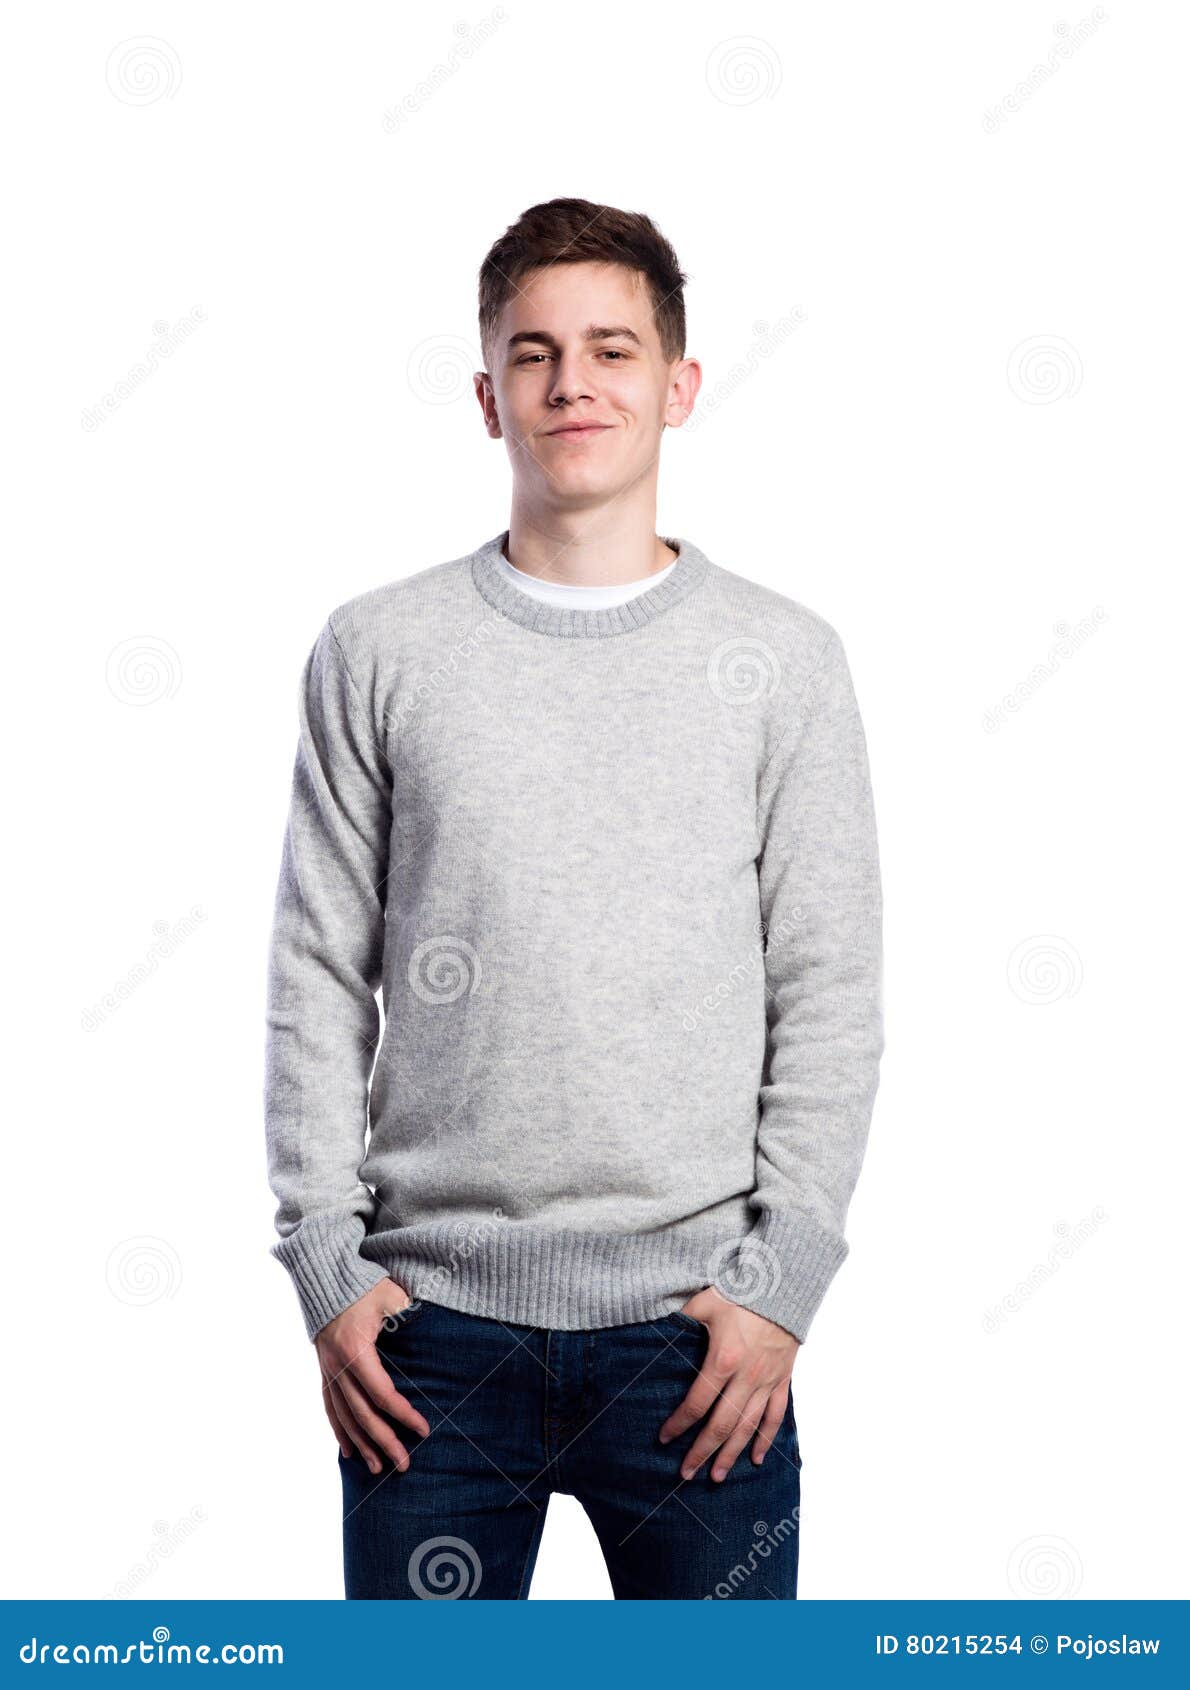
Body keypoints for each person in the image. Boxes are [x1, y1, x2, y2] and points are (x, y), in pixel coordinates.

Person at [263, 197, 884, 1600]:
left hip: (696, 1340)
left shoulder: (781, 659)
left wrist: (783, 1278)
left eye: (610, 349)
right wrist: (323, 1260)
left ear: (678, 386)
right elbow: (314, 965)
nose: (571, 383)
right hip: (425, 1339)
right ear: (489, 398)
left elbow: (829, 984)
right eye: (533, 354)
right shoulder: (381, 649)